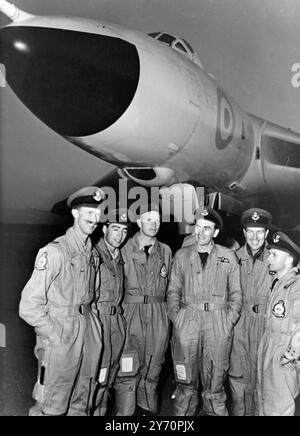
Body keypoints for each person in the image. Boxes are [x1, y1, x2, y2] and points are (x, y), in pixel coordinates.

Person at [19, 186, 105, 416]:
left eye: (97, 213)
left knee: (82, 399)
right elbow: (28, 305)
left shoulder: (92, 254)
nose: (94, 219)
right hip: (62, 333)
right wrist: (52, 332)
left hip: (88, 330)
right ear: (75, 213)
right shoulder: (55, 252)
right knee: (52, 404)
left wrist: (93, 326)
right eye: (89, 211)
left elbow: (92, 297)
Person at [167, 206, 242, 416]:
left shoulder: (228, 257)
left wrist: (228, 321)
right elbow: (172, 291)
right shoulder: (181, 256)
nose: (201, 233)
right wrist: (178, 319)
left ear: (215, 233)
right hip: (188, 321)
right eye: (198, 227)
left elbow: (236, 293)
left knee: (215, 384)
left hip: (218, 322)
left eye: (207, 229)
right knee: (185, 384)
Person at [114, 202, 172, 415]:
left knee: (153, 366)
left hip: (158, 313)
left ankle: (148, 414)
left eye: (156, 220)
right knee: (127, 367)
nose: (154, 224)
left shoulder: (165, 251)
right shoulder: (123, 249)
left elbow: (172, 286)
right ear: (139, 222)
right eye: (149, 219)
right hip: (131, 313)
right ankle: (124, 417)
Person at [229, 208, 273, 416]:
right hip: (238, 325)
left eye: (259, 232)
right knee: (238, 377)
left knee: (262, 378)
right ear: (244, 233)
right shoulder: (231, 259)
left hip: (265, 326)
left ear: (266, 234)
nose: (255, 237)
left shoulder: (276, 259)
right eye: (250, 232)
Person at [257, 232, 300, 416]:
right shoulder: (279, 283)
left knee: (279, 407)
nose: (269, 258)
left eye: (274, 254)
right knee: (265, 401)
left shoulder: (296, 287)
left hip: (282, 352)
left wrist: (290, 355)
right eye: (269, 253)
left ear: (289, 259)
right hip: (269, 346)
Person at [92, 209, 130, 416]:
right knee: (97, 376)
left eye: (124, 231)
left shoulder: (118, 257)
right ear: (104, 228)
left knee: (109, 375)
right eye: (115, 228)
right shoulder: (94, 254)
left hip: (116, 322)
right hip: (99, 321)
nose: (120, 235)